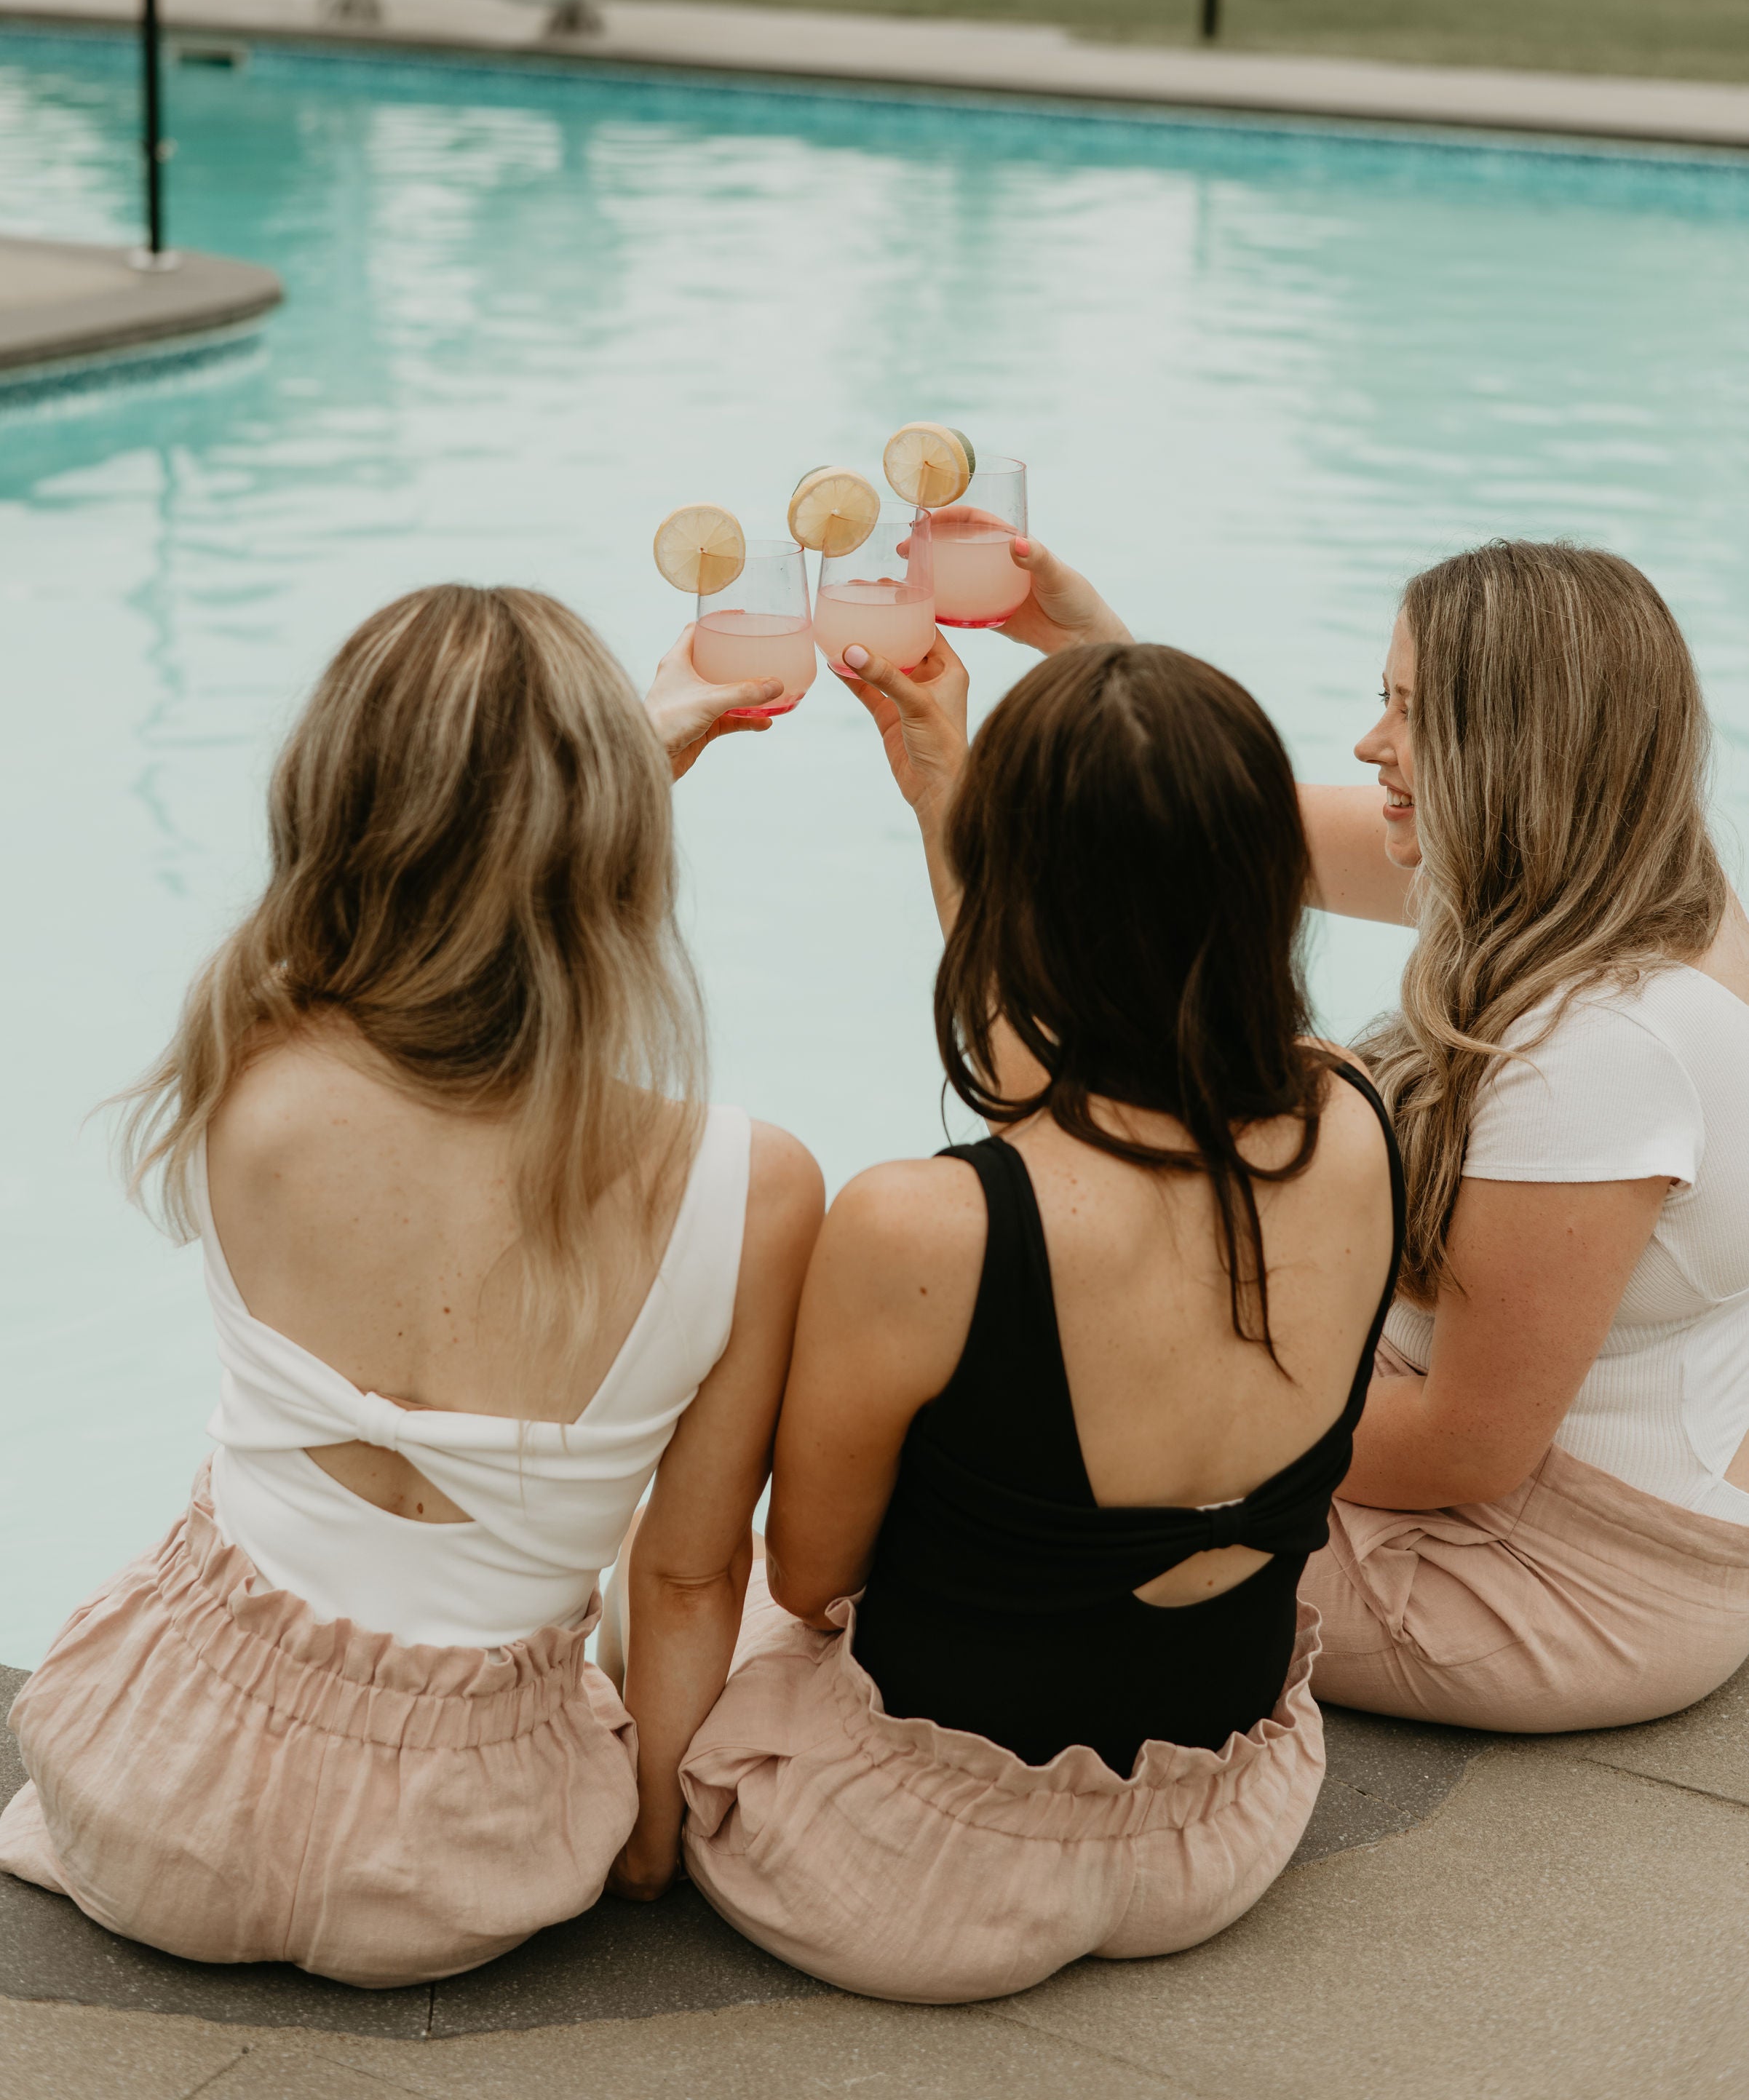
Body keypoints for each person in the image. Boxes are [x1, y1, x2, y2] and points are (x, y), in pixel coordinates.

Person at [0, 588, 821, 1986]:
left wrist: (614, 746)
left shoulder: (243, 1061)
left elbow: (325, 911)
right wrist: (640, 1850)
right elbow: (688, 1578)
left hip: (150, 1798)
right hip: (460, 1866)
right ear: (621, 851)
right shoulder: (749, 1186)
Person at [680, 640, 1402, 2002]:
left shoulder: (920, 1226)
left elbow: (808, 1576)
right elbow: (1094, 1096)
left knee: (661, 1567)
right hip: (1222, 1823)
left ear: (1029, 892)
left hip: (912, 1870)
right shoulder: (1354, 1113)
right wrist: (943, 789)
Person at [967, 531, 1749, 1731]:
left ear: (1513, 754)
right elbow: (1232, 826)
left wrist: (1164, 1427)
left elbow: (1463, 1451)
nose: (1369, 745)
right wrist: (1096, 659)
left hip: (1561, 1571)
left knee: (1011, 1507)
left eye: (1408, 714)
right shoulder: (1589, 886)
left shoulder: (1599, 1046)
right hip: (1543, 1476)